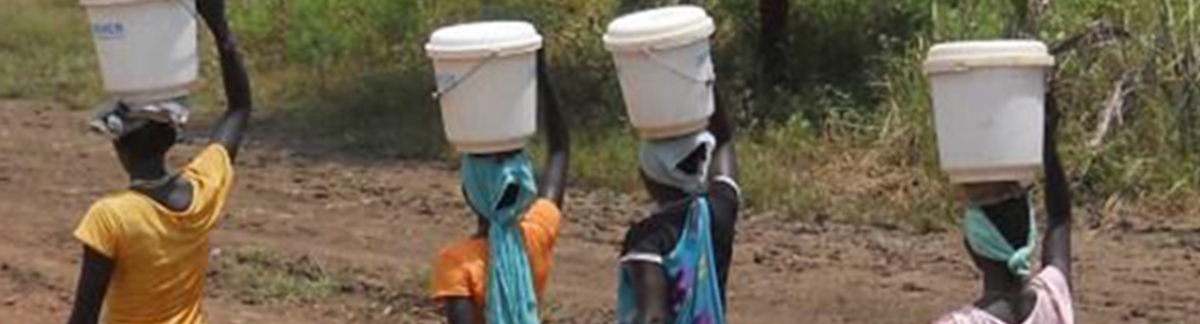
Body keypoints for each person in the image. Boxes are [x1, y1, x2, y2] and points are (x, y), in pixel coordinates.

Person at [64, 0, 252, 323]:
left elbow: (83, 319)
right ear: (171, 136)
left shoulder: (111, 218)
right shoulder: (202, 191)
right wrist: (220, 27)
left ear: (119, 143)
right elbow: (239, 108)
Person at [430, 49, 570, 324]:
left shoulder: (456, 263)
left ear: (469, 193)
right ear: (524, 187)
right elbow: (559, 150)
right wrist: (539, 71)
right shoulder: (538, 233)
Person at [933, 85, 1073, 324]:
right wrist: (1047, 138)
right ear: (1028, 241)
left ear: (973, 249)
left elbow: (1061, 219)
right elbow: (1060, 218)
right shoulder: (1053, 298)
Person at [616, 89, 740, 324]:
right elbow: (723, 143)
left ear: (651, 174)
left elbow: (653, 317)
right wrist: (704, 79)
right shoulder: (719, 210)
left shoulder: (647, 238)